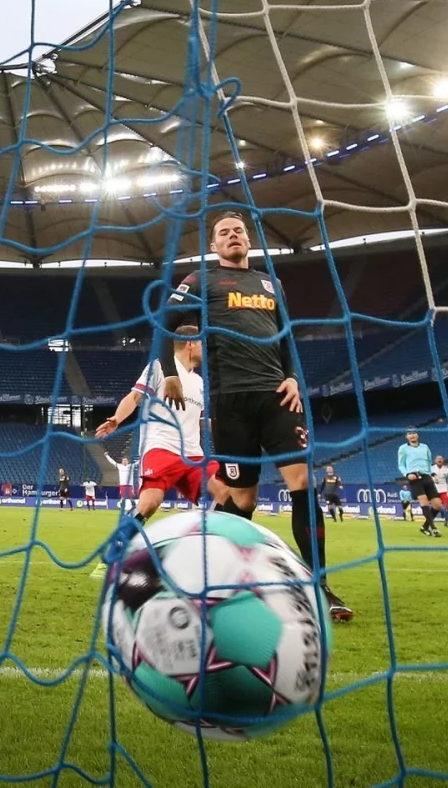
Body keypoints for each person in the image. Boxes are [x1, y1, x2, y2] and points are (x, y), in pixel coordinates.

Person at [161, 211, 351, 622]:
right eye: (224, 232)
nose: (233, 236)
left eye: (239, 231)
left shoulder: (270, 283)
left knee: (302, 482)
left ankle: (319, 586)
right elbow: (163, 323)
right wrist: (170, 374)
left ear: (249, 240)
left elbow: (285, 336)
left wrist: (293, 377)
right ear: (214, 245)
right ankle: (207, 572)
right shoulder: (200, 280)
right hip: (230, 402)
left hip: (277, 397)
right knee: (243, 499)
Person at [90, 326, 228, 578]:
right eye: (202, 343)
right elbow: (134, 397)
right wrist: (117, 419)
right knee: (150, 503)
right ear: (190, 344)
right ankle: (112, 557)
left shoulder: (199, 382)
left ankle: (206, 554)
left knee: (226, 493)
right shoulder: (159, 367)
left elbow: (201, 420)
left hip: (193, 454)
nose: (205, 348)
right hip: (161, 448)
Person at [398, 428, 441, 537]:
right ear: (406, 436)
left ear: (418, 435)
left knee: (437, 505)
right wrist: (407, 474)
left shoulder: (425, 447)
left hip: (426, 477)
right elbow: (401, 465)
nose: (412, 435)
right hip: (414, 477)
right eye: (409, 434)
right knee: (424, 502)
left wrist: (433, 474)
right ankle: (433, 528)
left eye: (414, 433)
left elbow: (429, 463)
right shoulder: (403, 448)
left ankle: (425, 527)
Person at [432, 455, 448, 529]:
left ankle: (446, 521)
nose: (439, 460)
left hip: (443, 490)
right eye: (438, 459)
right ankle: (433, 519)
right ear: (435, 461)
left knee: (447, 506)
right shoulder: (431, 468)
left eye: (441, 459)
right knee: (437, 506)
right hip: (434, 490)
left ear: (443, 461)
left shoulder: (446, 469)